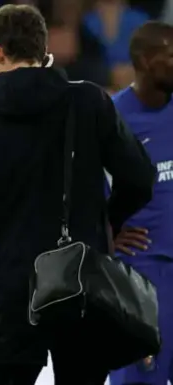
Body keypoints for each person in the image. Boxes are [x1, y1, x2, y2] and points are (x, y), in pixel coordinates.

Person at [0, 4, 155, 385]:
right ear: (43, 52)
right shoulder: (88, 100)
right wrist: (110, 220)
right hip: (81, 279)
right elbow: (139, 177)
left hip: (8, 289)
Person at [109, 21, 173, 385]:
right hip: (141, 273)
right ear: (147, 61)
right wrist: (107, 235)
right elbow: (82, 189)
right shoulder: (113, 118)